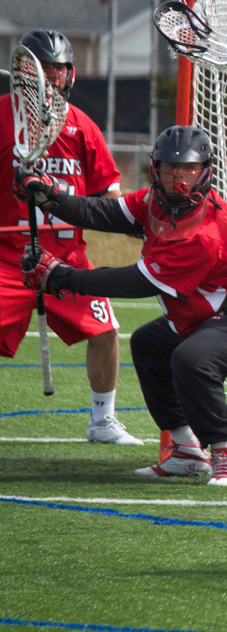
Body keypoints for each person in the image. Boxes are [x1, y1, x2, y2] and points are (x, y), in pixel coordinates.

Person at [16, 124, 227, 485]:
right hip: (209, 311)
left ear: (205, 171)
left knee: (191, 359)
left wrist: (61, 277)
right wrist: (53, 197)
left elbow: (135, 281)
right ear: (155, 168)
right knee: (148, 345)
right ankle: (187, 451)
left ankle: (224, 452)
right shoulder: (152, 201)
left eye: (188, 168)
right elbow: (104, 212)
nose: (178, 177)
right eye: (169, 167)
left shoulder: (205, 232)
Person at [0, 29, 139, 445]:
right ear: (25, 71)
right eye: (44, 68)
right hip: (6, 259)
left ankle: (102, 420)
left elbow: (108, 199)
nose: (52, 77)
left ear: (71, 73)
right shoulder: (2, 115)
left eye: (59, 69)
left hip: (66, 260)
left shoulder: (83, 127)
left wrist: (62, 198)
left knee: (105, 331)